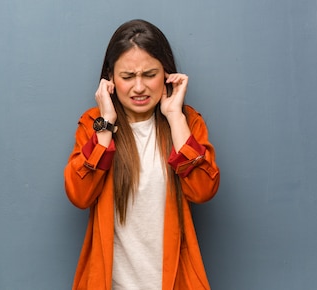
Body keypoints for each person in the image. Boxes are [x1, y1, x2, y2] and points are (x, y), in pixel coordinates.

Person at [63, 19, 220, 290]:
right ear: (110, 79)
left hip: (174, 281)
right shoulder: (94, 124)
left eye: (150, 74)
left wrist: (174, 116)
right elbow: (79, 195)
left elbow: (203, 191)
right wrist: (106, 124)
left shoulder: (186, 122)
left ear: (167, 75)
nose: (139, 87)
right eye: (127, 77)